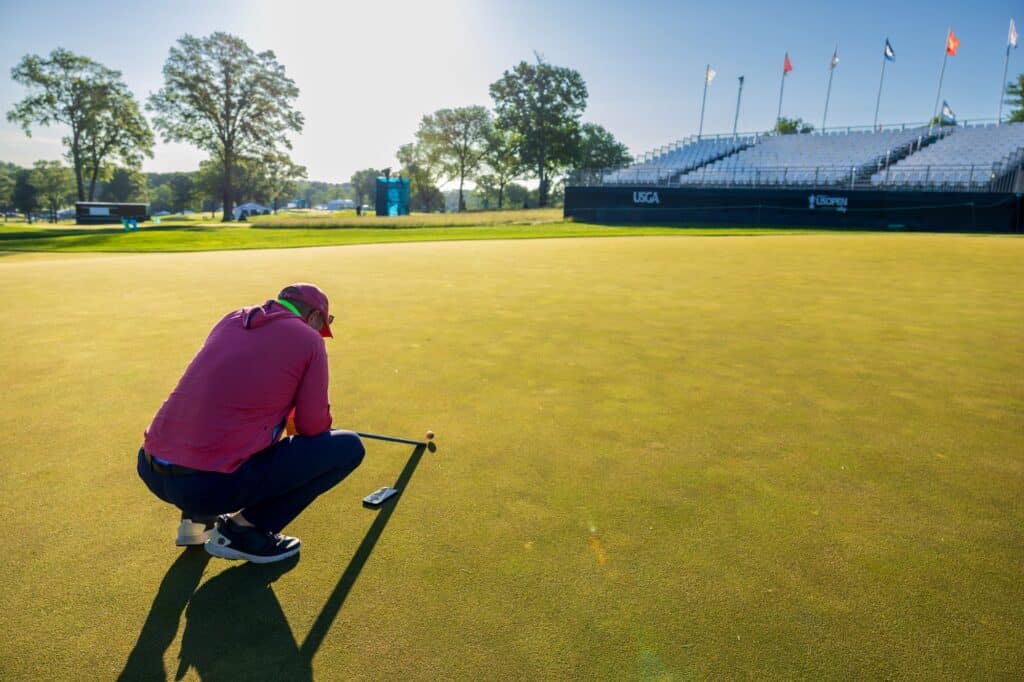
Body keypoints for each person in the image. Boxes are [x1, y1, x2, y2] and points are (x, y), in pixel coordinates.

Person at [137, 283, 365, 564]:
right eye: (322, 325)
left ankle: (196, 523)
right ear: (315, 317)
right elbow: (313, 427)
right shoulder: (309, 339)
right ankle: (244, 532)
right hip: (206, 487)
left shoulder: (233, 318)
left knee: (219, 426)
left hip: (150, 468)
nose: (320, 333)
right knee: (349, 448)